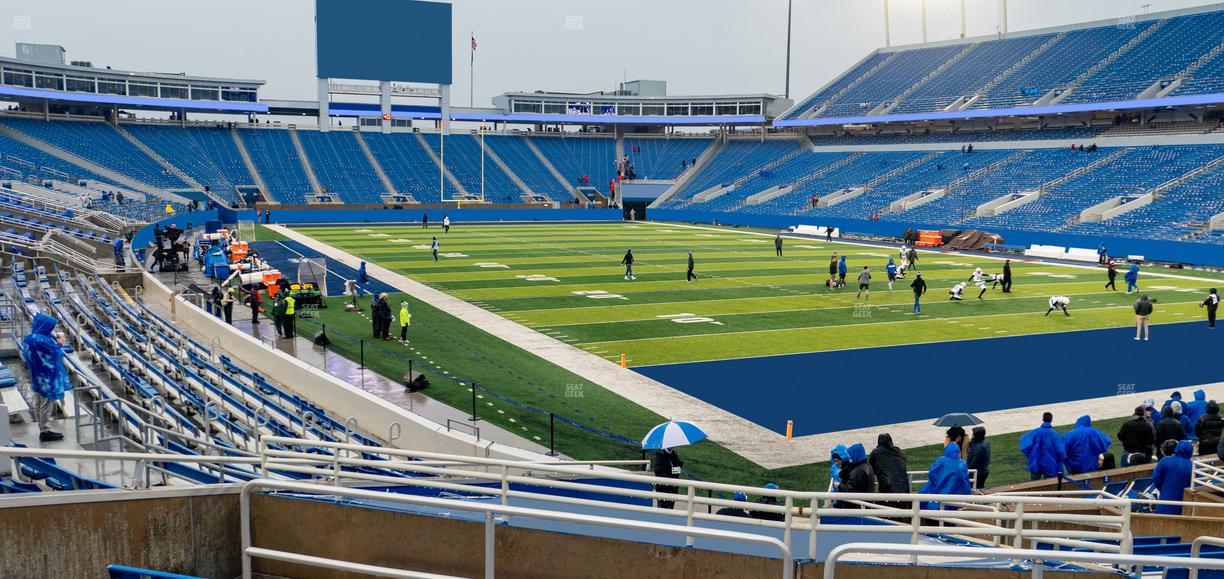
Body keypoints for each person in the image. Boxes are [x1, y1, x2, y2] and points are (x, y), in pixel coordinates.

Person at [22, 313, 70, 441]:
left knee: (38, 402)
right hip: (47, 377)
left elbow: (26, 356)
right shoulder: (42, 340)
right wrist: (60, 343)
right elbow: (55, 354)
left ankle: (42, 428)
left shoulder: (29, 338)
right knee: (46, 403)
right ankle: (45, 431)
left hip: (37, 375)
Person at [919, 442, 972, 508]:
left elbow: (932, 473)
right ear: (958, 452)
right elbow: (964, 481)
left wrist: (937, 482)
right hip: (952, 497)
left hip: (935, 494)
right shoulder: (962, 464)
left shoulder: (941, 460)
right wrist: (969, 494)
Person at [1151, 440, 1194, 515]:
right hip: (1184, 507)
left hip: (1165, 503)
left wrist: (1164, 489)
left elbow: (1156, 478)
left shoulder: (1165, 461)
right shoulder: (1193, 466)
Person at [1019, 412, 1066, 480]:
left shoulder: (1035, 432)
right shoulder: (1055, 435)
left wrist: (1030, 454)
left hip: (1036, 461)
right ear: (1051, 420)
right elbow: (1061, 451)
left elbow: (1024, 443)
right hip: (1050, 463)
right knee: (1050, 486)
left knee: (1034, 485)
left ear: (1042, 419)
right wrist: (1058, 460)